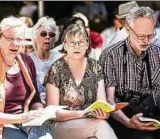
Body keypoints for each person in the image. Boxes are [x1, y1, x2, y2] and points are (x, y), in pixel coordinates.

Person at [0, 16, 51, 139]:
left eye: (19, 39)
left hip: (24, 123)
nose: (15, 43)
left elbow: (35, 100)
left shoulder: (27, 61)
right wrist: (20, 118)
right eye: (10, 38)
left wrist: (38, 111)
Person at [45, 24, 117, 139]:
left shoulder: (95, 67)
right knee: (100, 126)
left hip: (90, 124)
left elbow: (102, 101)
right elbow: (52, 112)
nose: (77, 46)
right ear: (65, 45)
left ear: (87, 44)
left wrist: (104, 113)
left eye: (81, 42)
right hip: (61, 125)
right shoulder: (56, 68)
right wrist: (82, 113)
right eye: (72, 43)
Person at [99, 7, 160, 139]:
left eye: (150, 35)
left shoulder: (158, 53)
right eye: (141, 36)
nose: (146, 41)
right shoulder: (111, 55)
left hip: (154, 114)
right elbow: (109, 100)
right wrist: (128, 122)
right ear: (127, 28)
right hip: (124, 118)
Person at [29, 16, 62, 104]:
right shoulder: (27, 60)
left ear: (55, 39)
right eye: (43, 34)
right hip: (34, 104)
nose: (47, 37)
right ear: (35, 37)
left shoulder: (61, 59)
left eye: (51, 35)